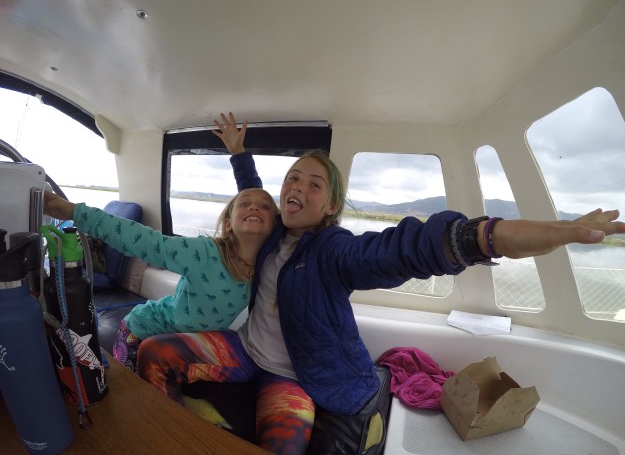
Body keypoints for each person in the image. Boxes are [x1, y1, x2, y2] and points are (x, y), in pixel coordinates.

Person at [137, 114, 625, 454]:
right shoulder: (270, 235)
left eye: (314, 184)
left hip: (293, 378)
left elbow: (398, 250)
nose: (297, 187)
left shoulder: (332, 250)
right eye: (293, 179)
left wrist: (486, 236)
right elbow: (253, 190)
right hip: (246, 350)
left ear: (330, 206)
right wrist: (239, 153)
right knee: (154, 353)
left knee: (283, 447)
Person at [42, 115, 277, 371]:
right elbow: (141, 240)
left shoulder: (267, 263)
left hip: (189, 344)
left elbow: (254, 193)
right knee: (131, 390)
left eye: (265, 207)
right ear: (229, 223)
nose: (255, 207)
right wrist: (72, 211)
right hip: (143, 331)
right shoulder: (205, 252)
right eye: (245, 204)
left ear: (274, 224)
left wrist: (240, 154)